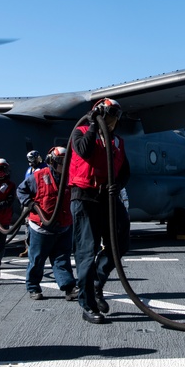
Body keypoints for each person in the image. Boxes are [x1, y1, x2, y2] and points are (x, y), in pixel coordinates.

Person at [69, 98, 131, 324]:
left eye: (116, 116)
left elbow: (125, 171)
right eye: (110, 115)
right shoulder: (81, 132)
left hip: (108, 196)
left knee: (120, 242)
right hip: (85, 196)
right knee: (87, 250)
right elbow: (83, 151)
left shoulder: (117, 142)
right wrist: (94, 125)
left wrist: (118, 185)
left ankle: (97, 281)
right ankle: (87, 304)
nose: (113, 121)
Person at [17, 146, 78, 301]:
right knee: (37, 259)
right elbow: (21, 190)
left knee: (62, 259)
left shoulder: (71, 178)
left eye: (66, 162)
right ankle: (33, 287)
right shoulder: (38, 177)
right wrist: (30, 204)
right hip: (41, 228)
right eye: (60, 162)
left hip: (63, 227)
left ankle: (69, 287)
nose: (63, 165)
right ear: (51, 161)